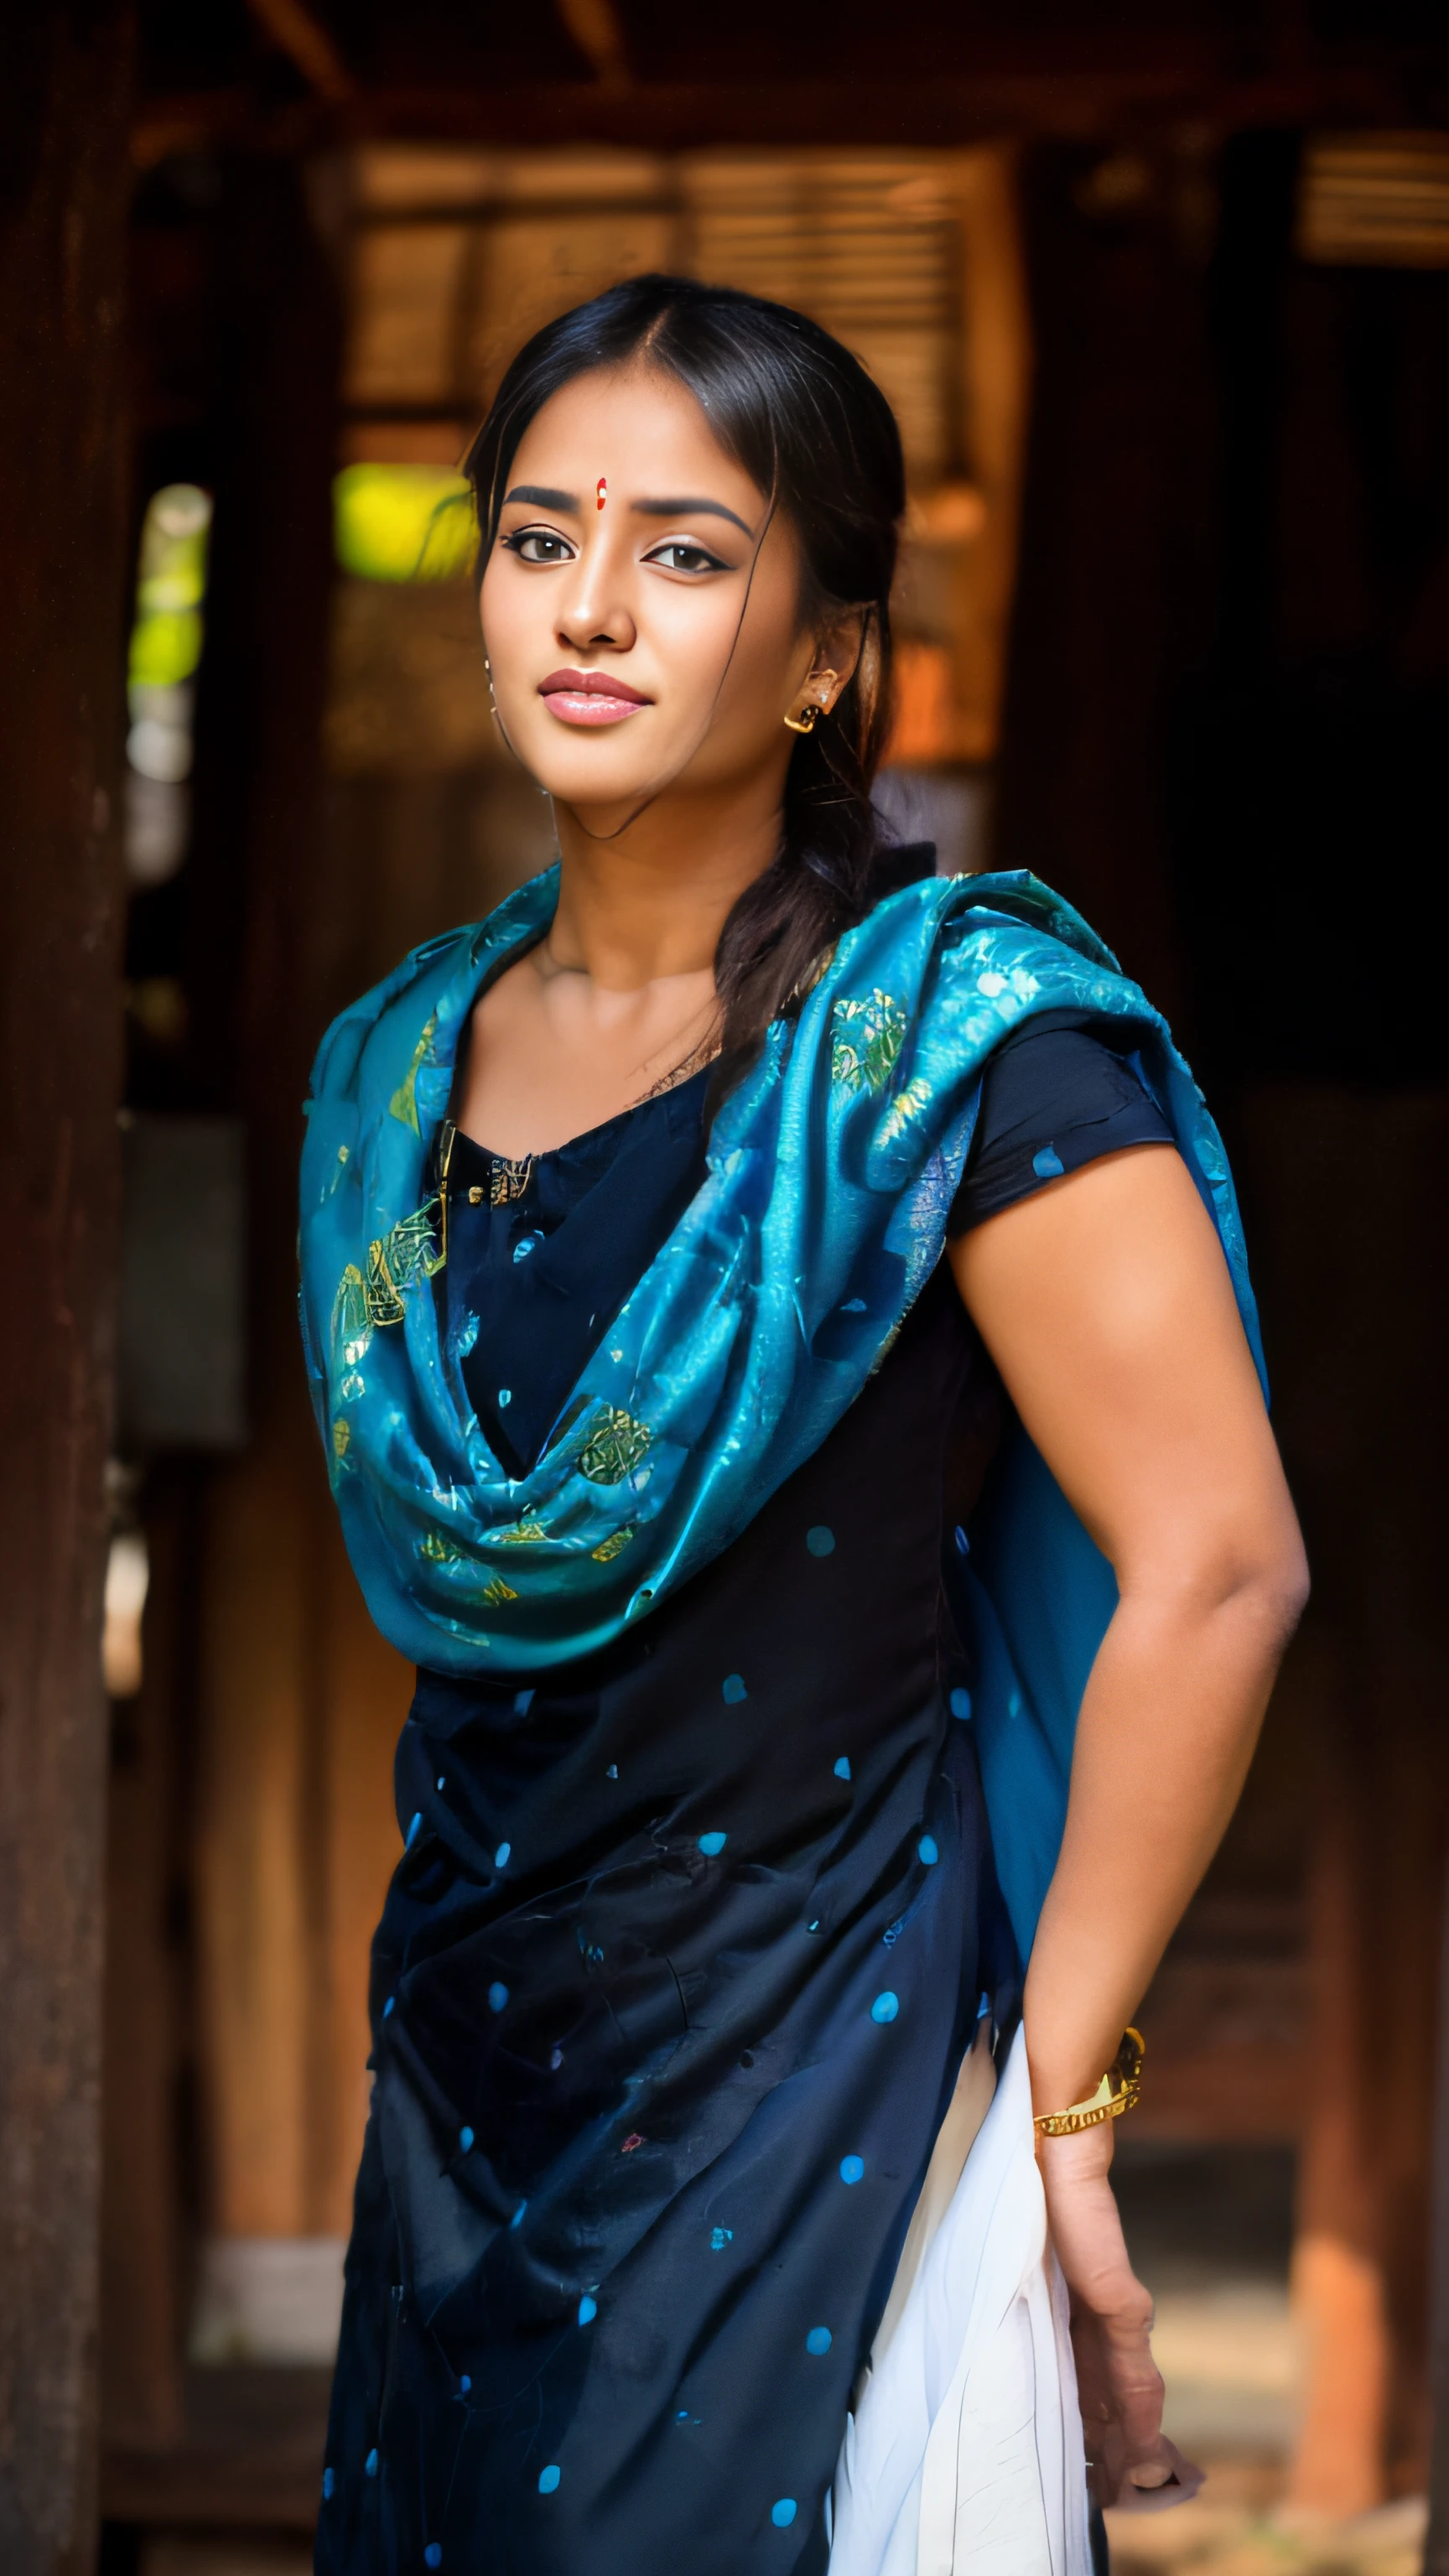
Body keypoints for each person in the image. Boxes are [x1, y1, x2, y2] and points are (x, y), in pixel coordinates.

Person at [300, 274, 1307, 2576]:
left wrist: (1070, 2098)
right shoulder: (389, 1074)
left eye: (686, 550)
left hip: (823, 2066)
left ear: (832, 650)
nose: (590, 604)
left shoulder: (964, 1055)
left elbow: (1218, 1566)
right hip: (469, 2040)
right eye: (540, 532)